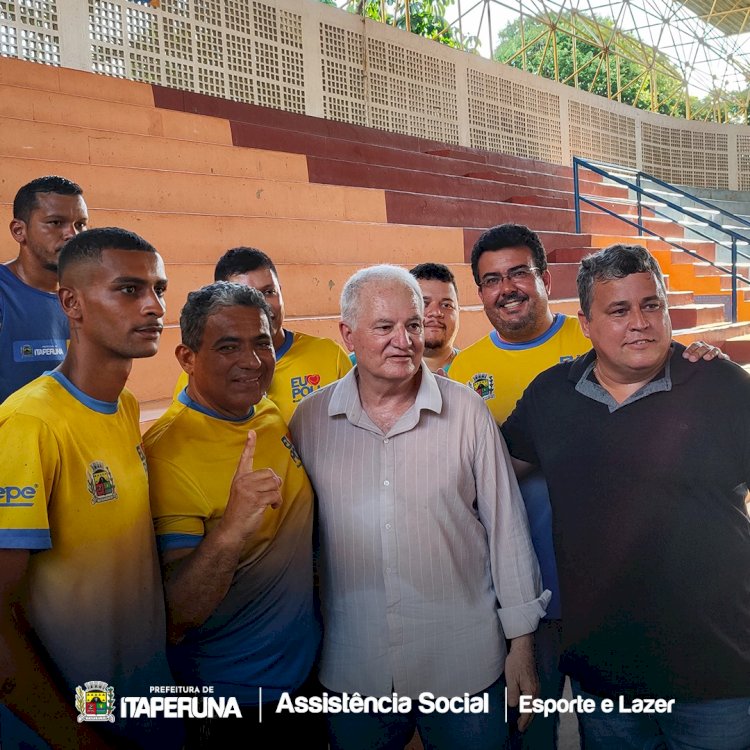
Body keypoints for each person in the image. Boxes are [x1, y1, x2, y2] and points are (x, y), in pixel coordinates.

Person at [448, 222, 726, 750]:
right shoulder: (515, 382)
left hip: (676, 633)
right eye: (491, 279)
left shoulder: (681, 366)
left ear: (544, 278)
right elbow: (490, 472)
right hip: (555, 609)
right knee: (542, 728)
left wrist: (704, 362)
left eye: (519, 272)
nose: (636, 324)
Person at [289, 265, 548, 750]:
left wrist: (522, 644)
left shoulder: (467, 411)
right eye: (384, 327)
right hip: (354, 668)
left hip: (465, 663)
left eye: (411, 325)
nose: (403, 341)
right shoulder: (311, 421)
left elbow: (506, 530)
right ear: (347, 333)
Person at [0, 227, 173, 749]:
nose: (154, 306)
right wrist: (72, 737)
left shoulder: (122, 406)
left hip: (144, 704)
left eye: (159, 289)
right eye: (129, 289)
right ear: (71, 302)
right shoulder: (29, 424)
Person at [145, 282, 324, 748]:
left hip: (306, 678)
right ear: (186, 358)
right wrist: (230, 531)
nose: (251, 360)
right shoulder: (167, 452)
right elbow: (178, 614)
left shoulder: (261, 409)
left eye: (261, 342)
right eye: (228, 347)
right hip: (232, 703)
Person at [174, 247, 352, 423]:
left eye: (269, 292)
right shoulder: (199, 376)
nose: (263, 307)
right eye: (245, 297)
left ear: (281, 291)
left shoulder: (329, 355)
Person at [1, 175, 88, 402]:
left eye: (80, 224)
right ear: (19, 231)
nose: (72, 234)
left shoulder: (87, 298)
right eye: (56, 223)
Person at [409, 262, 460, 374]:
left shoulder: (478, 369)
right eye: (424, 303)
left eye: (446, 305)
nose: (436, 312)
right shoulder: (381, 374)